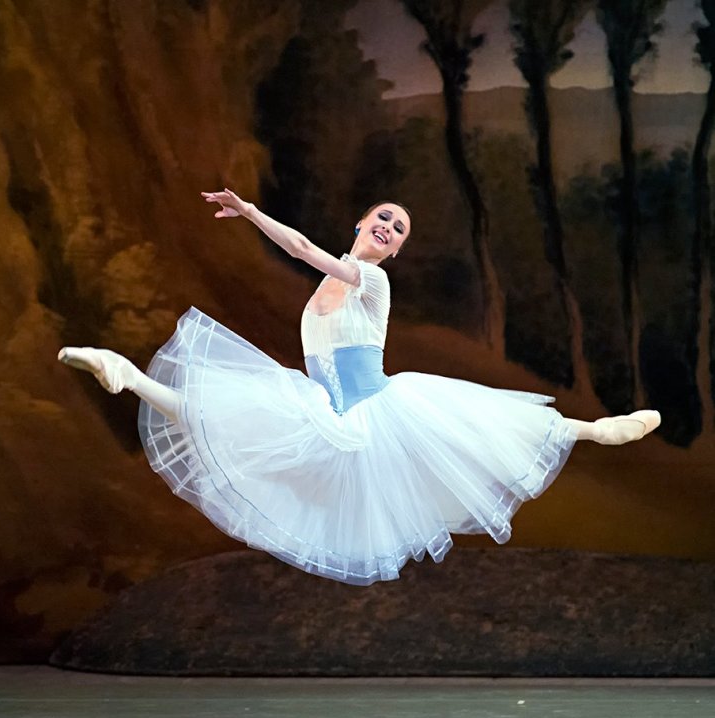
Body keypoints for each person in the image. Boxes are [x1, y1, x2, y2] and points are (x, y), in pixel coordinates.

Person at [58, 189, 660, 585]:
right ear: (362, 222)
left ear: (394, 251)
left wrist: (249, 213)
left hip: (375, 414)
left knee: (484, 431)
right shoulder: (320, 294)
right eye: (383, 218)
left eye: (398, 229)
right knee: (229, 416)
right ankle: (127, 374)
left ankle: (592, 430)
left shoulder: (372, 282)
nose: (389, 227)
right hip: (323, 409)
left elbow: (302, 248)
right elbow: (311, 274)